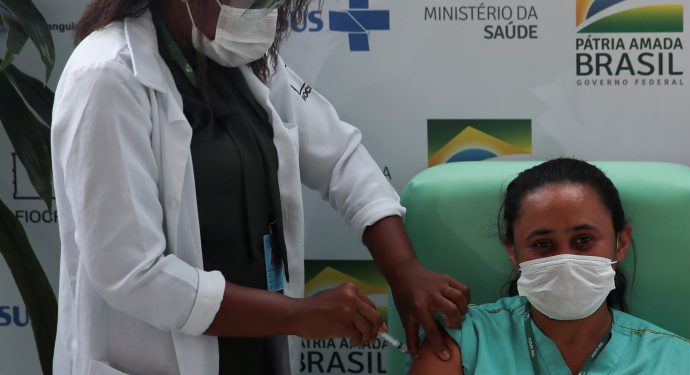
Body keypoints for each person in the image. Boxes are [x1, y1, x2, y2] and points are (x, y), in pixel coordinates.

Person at [51, 0, 470, 374]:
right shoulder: (108, 75)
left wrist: (404, 272)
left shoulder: (234, 57)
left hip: (256, 350)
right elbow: (133, 274)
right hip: (157, 358)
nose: (261, 10)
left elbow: (339, 157)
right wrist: (297, 315)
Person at [407, 158, 690, 375]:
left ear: (621, 242)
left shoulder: (682, 364)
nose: (565, 260)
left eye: (584, 239)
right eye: (543, 244)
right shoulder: (464, 343)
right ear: (513, 252)